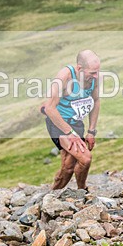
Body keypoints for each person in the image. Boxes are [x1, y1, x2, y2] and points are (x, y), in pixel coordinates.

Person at [40, 50, 101, 190]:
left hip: (76, 123)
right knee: (85, 158)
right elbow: (49, 108)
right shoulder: (64, 77)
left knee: (68, 167)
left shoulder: (94, 78)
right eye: (92, 73)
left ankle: (53, 194)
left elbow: (96, 101)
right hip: (58, 123)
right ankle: (82, 190)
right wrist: (69, 133)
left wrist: (91, 131)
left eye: (98, 72)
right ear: (79, 68)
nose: (96, 76)